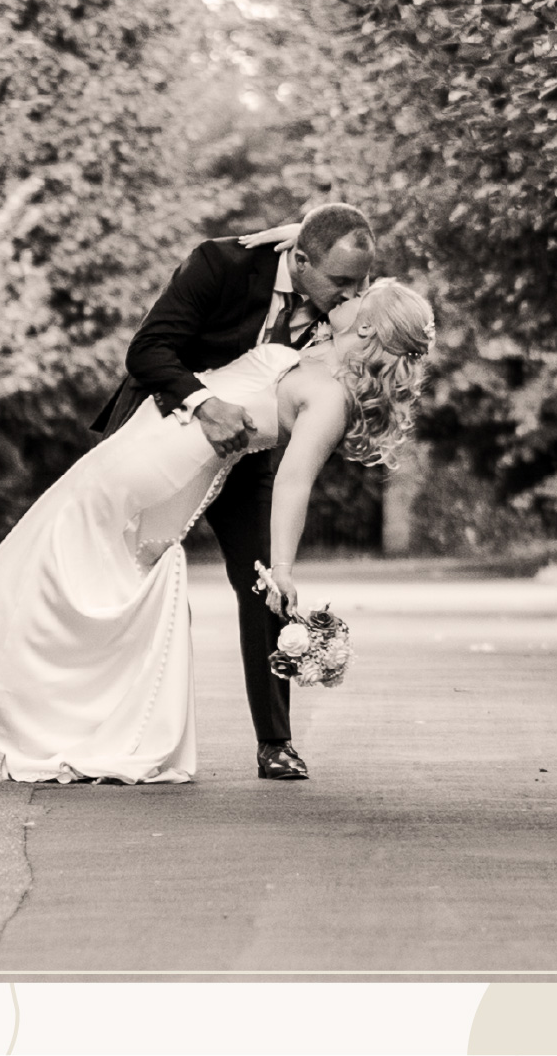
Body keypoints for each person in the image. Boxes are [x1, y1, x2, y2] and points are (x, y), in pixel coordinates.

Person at [0, 271, 434, 788]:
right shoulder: (318, 351)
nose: (349, 292)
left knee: (60, 551)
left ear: (366, 326)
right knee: (72, 561)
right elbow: (306, 249)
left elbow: (294, 482)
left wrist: (283, 569)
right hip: (155, 436)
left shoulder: (331, 397)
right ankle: (6, 692)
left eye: (362, 294)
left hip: (165, 464)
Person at [91, 204, 375, 779]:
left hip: (243, 459)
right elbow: (147, 353)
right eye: (342, 283)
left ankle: (276, 742)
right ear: (298, 261)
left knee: (266, 579)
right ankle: (104, 729)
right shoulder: (220, 264)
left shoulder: (339, 304)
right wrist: (207, 404)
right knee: (123, 587)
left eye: (361, 282)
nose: (352, 295)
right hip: (162, 441)